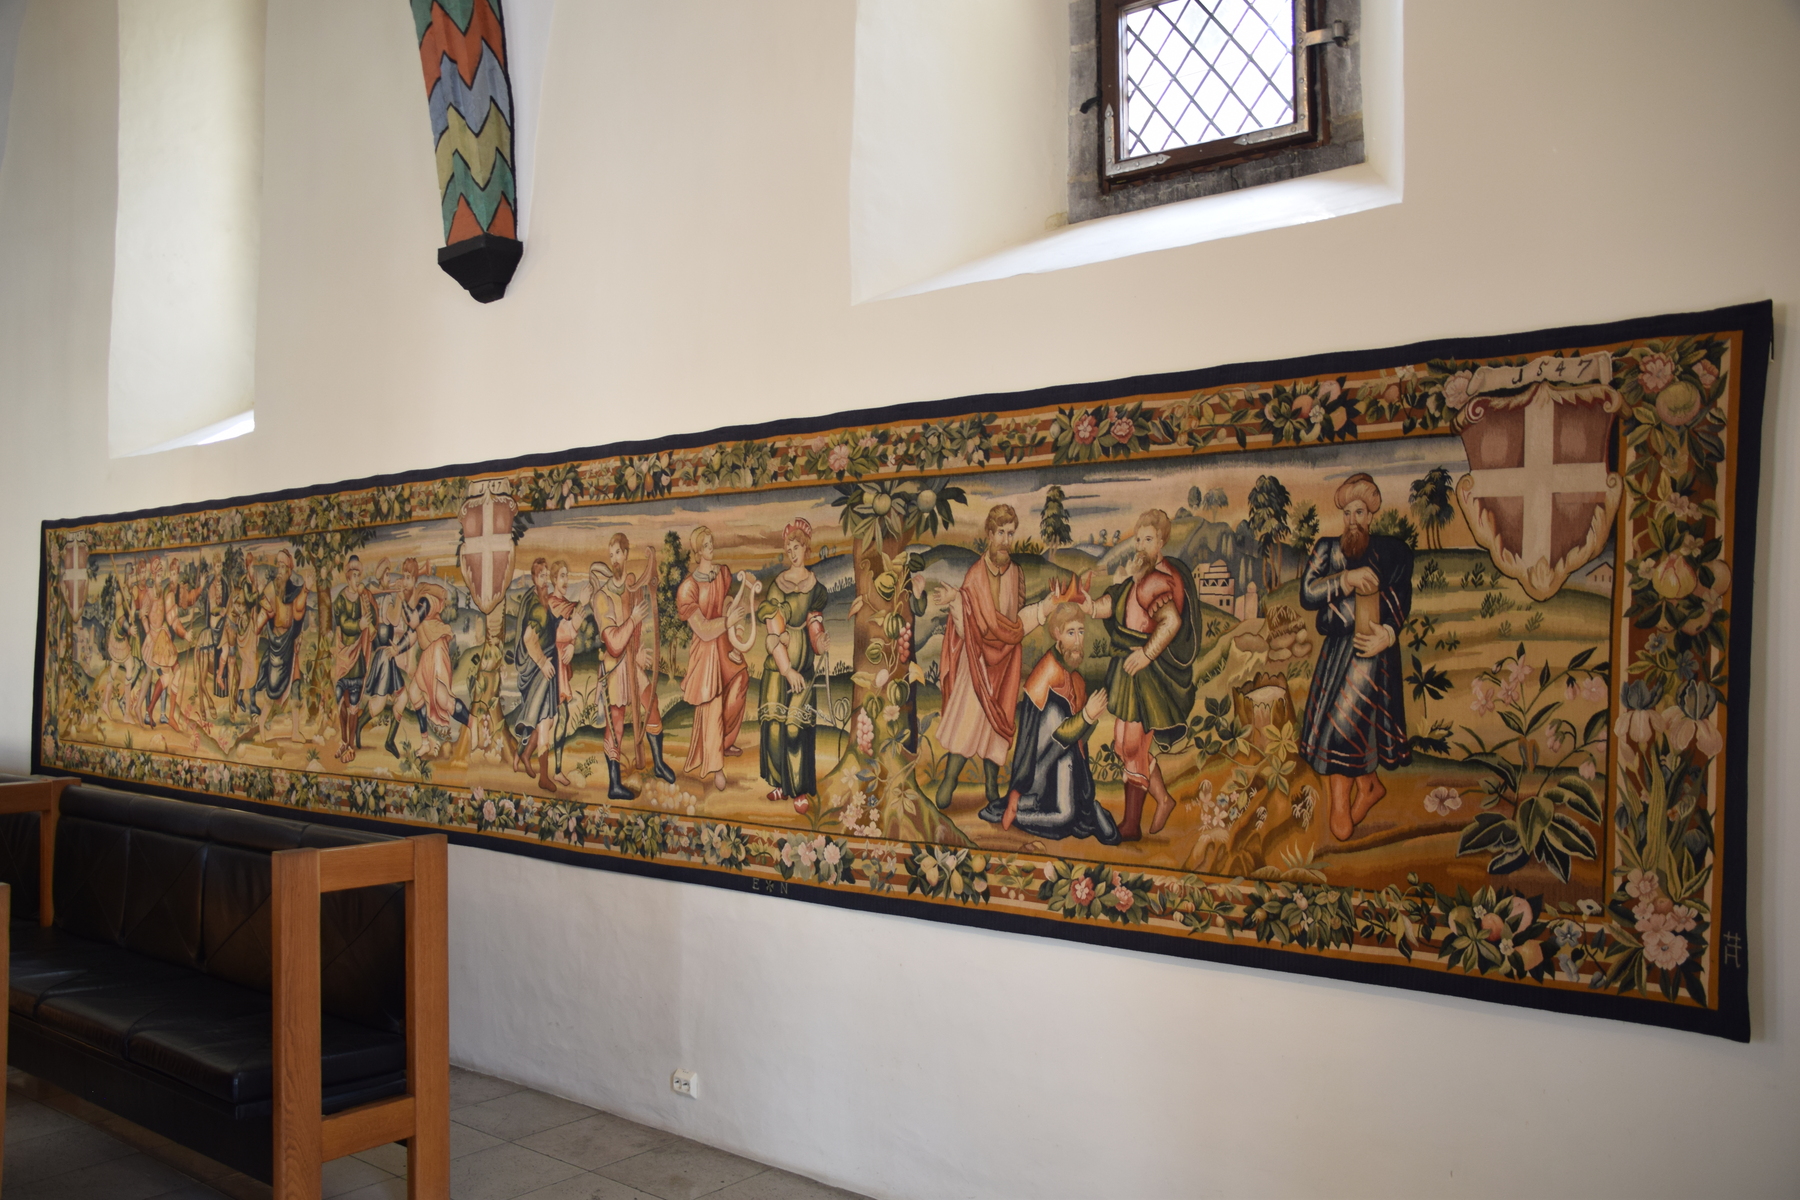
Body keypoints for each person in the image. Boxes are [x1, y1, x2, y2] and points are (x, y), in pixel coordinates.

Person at [1296, 472, 1412, 841]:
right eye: (1347, 513)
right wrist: (1346, 580)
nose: (1352, 521)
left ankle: (1341, 808)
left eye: (1359, 512)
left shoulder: (1392, 552)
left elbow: (1402, 594)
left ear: (1371, 515)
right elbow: (1307, 594)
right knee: (1343, 723)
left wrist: (1387, 635)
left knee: (1343, 725)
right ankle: (1368, 786)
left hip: (1370, 651)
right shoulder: (1328, 549)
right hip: (1335, 653)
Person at [1084, 509, 1198, 841]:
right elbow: (1112, 605)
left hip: (1147, 672)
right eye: (1138, 539)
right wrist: (1086, 603)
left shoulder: (1158, 581)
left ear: (1161, 542)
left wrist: (1147, 654)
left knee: (1133, 744)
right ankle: (1163, 799)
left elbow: (1171, 622)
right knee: (1123, 744)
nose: (1140, 546)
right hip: (1129, 667)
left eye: (1148, 539)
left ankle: (1131, 825)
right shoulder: (1140, 578)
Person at [933, 504, 1048, 819]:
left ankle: (991, 786)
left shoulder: (1016, 573)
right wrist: (955, 599)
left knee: (996, 728)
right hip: (977, 662)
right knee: (967, 721)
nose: (1006, 541)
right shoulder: (975, 575)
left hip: (1007, 662)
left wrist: (1046, 607)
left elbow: (1016, 621)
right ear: (989, 534)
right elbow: (966, 621)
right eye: (1000, 533)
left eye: (1010, 534)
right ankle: (950, 780)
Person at [1000, 602, 1118, 844]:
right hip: (1041, 767)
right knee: (1064, 817)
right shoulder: (1046, 673)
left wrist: (1088, 719)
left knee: (1075, 818)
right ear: (1057, 634)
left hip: (1065, 761)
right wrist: (1087, 716)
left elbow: (1078, 742)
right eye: (1070, 633)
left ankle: (1085, 807)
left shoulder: (1076, 679)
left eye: (1081, 632)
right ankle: (1019, 810)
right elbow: (1050, 738)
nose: (1077, 641)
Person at [589, 534, 678, 800]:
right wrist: (632, 621)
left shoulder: (631, 588)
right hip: (614, 667)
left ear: (626, 554)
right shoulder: (602, 597)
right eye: (611, 555)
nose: (614, 559)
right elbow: (615, 643)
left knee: (651, 704)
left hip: (631, 663)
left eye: (618, 553)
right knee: (616, 724)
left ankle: (658, 763)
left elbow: (632, 638)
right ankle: (614, 784)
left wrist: (637, 651)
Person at [757, 519, 829, 803]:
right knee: (774, 728)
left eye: (796, 547)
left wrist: (819, 642)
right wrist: (787, 670)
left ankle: (798, 790)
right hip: (778, 669)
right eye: (789, 549)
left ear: (806, 548)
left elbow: (814, 624)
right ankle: (780, 784)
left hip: (804, 669)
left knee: (794, 726)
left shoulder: (815, 588)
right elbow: (774, 634)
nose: (792, 553)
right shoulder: (778, 586)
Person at [676, 526, 751, 793]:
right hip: (706, 651)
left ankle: (724, 741)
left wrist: (736, 626)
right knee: (712, 703)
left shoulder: (722, 574)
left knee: (741, 680)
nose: (711, 547)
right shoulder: (688, 588)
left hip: (724, 643)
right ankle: (716, 765)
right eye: (706, 545)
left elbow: (726, 601)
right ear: (697, 552)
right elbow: (703, 629)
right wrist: (727, 621)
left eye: (711, 542)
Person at [510, 557, 564, 791]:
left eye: (545, 576)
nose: (545, 581)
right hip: (541, 672)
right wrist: (542, 663)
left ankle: (523, 754)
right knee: (544, 721)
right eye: (541, 576)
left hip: (544, 669)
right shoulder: (537, 607)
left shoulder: (538, 599)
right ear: (534, 578)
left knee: (547, 720)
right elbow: (528, 638)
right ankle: (544, 776)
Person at [252, 549, 311, 743]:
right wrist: (258, 622)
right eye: (278, 565)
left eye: (283, 567)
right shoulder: (271, 590)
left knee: (295, 685)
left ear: (289, 571)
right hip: (277, 648)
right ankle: (262, 724)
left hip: (290, 647)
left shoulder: (293, 591)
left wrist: (306, 590)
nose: (279, 570)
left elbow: (298, 610)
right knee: (272, 691)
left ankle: (295, 732)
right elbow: (262, 618)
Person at [331, 555, 374, 762]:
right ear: (348, 577)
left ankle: (350, 745)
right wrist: (359, 625)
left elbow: (372, 622)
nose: (357, 579)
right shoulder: (340, 600)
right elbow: (343, 622)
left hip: (357, 661)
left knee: (354, 707)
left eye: (359, 575)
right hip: (343, 657)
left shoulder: (362, 599)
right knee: (341, 702)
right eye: (354, 575)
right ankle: (343, 740)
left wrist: (368, 619)